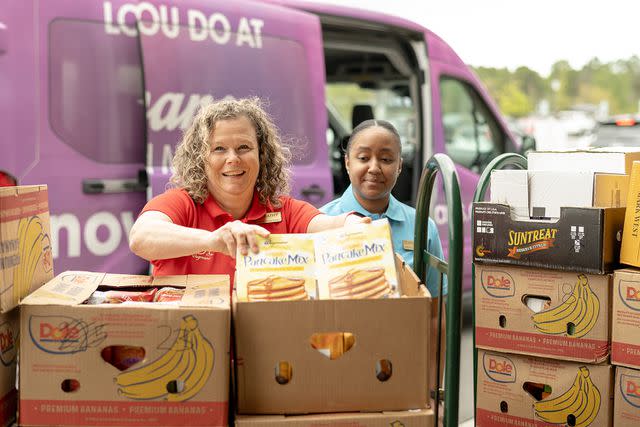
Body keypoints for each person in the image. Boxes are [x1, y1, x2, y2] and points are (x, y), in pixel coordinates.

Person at [129, 97, 369, 287]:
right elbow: (141, 237)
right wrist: (214, 240)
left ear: (262, 154)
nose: (233, 159)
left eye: (244, 147)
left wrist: (353, 224)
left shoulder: (283, 210)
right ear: (201, 158)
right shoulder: (182, 203)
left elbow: (326, 224)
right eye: (219, 149)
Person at [320, 119, 446, 297]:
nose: (374, 168)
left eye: (386, 159)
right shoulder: (320, 221)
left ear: (399, 166)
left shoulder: (423, 226)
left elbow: (435, 310)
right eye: (363, 158)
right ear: (348, 162)